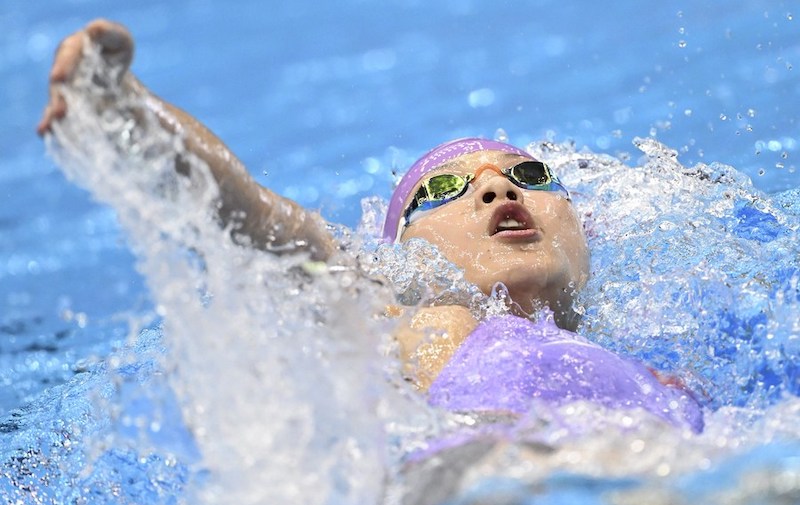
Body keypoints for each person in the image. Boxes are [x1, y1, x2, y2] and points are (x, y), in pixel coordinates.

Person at [38, 19, 703, 432]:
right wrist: (130, 110)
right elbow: (264, 223)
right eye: (442, 189)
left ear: (585, 227)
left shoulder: (660, 374)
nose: (498, 187)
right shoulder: (405, 319)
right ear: (401, 254)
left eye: (531, 175)